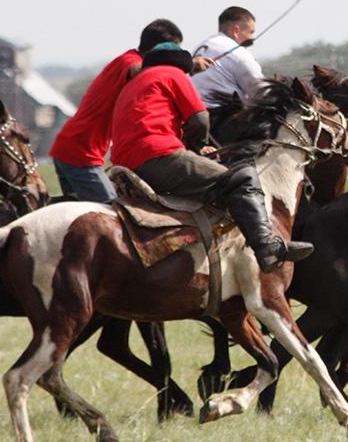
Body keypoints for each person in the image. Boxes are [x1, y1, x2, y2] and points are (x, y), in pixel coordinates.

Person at [109, 41, 313, 273]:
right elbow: (200, 118)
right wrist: (200, 145)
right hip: (158, 157)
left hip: (127, 164)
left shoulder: (134, 84)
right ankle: (267, 247)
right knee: (242, 178)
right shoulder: (173, 74)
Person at [49, 20, 187, 201]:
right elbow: (143, 72)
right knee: (112, 212)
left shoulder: (126, 60)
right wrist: (185, 64)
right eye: (172, 51)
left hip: (72, 147)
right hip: (81, 153)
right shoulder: (129, 62)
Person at [191, 6, 267, 127]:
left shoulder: (200, 46)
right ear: (236, 30)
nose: (252, 38)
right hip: (221, 121)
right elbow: (261, 92)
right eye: (251, 32)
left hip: (192, 118)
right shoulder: (238, 53)